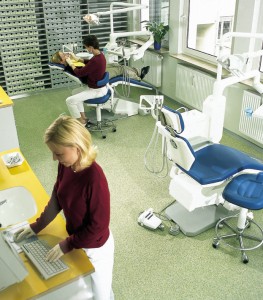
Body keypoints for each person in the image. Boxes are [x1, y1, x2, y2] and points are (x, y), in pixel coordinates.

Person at [14, 115, 115, 300]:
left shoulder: (95, 178)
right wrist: (36, 226)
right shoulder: (67, 165)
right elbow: (58, 197)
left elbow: (98, 226)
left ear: (77, 148)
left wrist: (67, 244)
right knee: (85, 290)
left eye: (58, 153)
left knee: (102, 295)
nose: (54, 158)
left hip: (96, 247)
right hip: (76, 239)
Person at [51, 51, 150, 82]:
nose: (65, 54)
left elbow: (87, 63)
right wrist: (71, 63)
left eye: (64, 53)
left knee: (116, 64)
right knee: (119, 70)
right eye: (63, 55)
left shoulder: (71, 62)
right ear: (61, 61)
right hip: (95, 76)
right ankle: (138, 78)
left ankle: (138, 71)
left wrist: (76, 58)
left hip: (94, 69)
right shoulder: (69, 67)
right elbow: (79, 73)